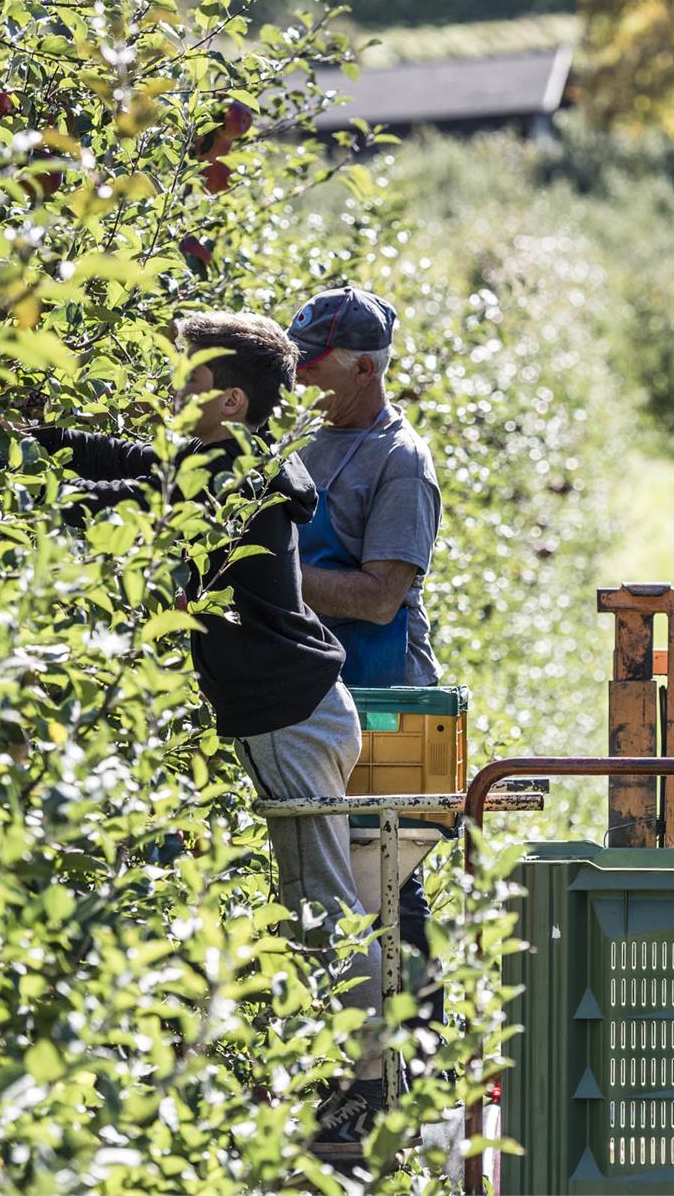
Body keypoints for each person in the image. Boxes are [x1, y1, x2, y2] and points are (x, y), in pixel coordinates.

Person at [29, 312, 386, 1158]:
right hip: (301, 709)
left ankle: (364, 1092)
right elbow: (136, 465)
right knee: (319, 902)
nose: (170, 394)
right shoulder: (231, 459)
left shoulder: (232, 478)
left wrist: (29, 493)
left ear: (229, 399)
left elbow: (138, 501)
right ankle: (350, 1080)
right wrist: (31, 441)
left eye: (186, 381)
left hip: (292, 719)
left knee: (322, 910)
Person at [283, 287, 443, 988]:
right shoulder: (298, 440)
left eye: (313, 364)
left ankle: (417, 1064)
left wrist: (266, 576)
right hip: (317, 696)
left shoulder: (399, 462)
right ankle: (355, 1070)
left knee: (384, 890)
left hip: (389, 705)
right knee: (324, 884)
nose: (299, 377)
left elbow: (381, 599)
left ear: (363, 370)